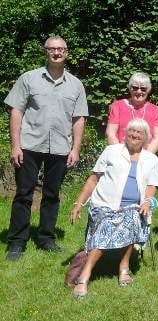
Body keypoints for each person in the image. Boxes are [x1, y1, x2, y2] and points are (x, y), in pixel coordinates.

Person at [4, 36, 89, 261]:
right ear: (46, 52)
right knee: (24, 194)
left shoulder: (76, 84)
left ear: (67, 52)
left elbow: (79, 118)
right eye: (52, 49)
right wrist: (15, 145)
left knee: (52, 195)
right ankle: (16, 242)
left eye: (60, 49)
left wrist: (76, 148)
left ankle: (46, 239)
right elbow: (16, 112)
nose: (56, 53)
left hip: (61, 147)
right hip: (29, 145)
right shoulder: (29, 78)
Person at [69, 118, 158, 297]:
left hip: (133, 207)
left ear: (146, 138)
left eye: (139, 133)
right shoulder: (111, 151)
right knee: (107, 224)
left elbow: (152, 185)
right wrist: (78, 203)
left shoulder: (151, 159)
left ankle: (124, 266)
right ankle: (85, 274)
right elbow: (93, 179)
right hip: (104, 205)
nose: (134, 135)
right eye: (131, 131)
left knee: (133, 218)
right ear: (126, 134)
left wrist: (147, 201)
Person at [105, 72, 158, 153]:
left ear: (148, 90)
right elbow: (110, 134)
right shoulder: (117, 106)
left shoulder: (156, 110)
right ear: (130, 88)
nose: (139, 91)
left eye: (143, 89)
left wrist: (144, 158)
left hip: (145, 158)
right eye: (135, 88)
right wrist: (120, 155)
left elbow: (157, 138)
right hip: (119, 154)